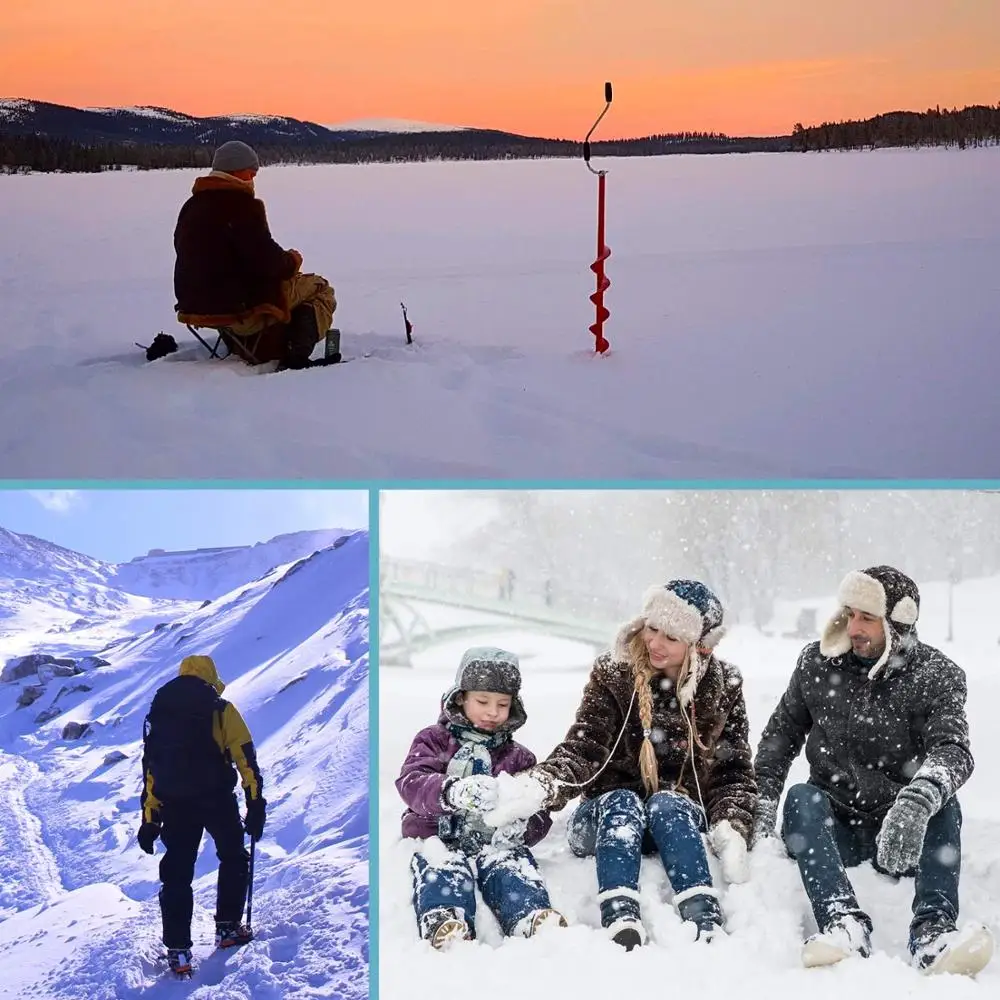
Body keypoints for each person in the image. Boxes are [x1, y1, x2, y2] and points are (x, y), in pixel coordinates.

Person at [486, 580, 757, 950]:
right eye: (653, 628)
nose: (655, 643)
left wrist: (732, 823)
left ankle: (702, 914)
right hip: (604, 819)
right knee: (622, 802)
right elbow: (585, 746)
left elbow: (733, 769)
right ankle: (620, 913)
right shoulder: (614, 673)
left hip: (673, 823)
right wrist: (543, 784)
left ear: (699, 646)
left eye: (672, 637)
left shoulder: (724, 685)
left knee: (669, 802)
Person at [751, 565, 994, 975]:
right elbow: (779, 738)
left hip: (903, 833)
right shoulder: (816, 663)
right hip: (834, 827)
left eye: (867, 617)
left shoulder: (937, 676)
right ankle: (843, 923)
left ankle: (933, 933)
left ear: (897, 623)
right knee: (801, 798)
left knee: (943, 803)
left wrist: (917, 801)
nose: (854, 626)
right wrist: (760, 803)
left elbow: (953, 750)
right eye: (849, 613)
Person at [395, 646, 565, 950]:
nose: (492, 712)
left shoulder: (518, 757)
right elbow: (411, 782)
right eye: (483, 701)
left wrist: (523, 826)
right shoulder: (434, 740)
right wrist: (451, 791)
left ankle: (529, 914)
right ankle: (445, 916)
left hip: (493, 841)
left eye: (502, 704)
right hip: (438, 835)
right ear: (461, 697)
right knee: (442, 866)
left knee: (511, 866)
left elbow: (537, 808)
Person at [138, 655, 267, 975]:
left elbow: (151, 769)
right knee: (234, 856)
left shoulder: (159, 713)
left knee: (177, 873)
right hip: (217, 799)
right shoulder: (220, 708)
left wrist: (150, 819)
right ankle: (227, 928)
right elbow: (244, 757)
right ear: (210, 676)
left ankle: (178, 951)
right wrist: (255, 803)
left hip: (174, 804)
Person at [173, 140, 338, 369]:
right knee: (320, 288)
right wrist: (292, 260)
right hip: (238, 308)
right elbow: (268, 261)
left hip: (196, 304)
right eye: (250, 172)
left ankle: (254, 343)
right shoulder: (242, 206)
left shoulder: (191, 207)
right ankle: (295, 355)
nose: (253, 179)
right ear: (235, 171)